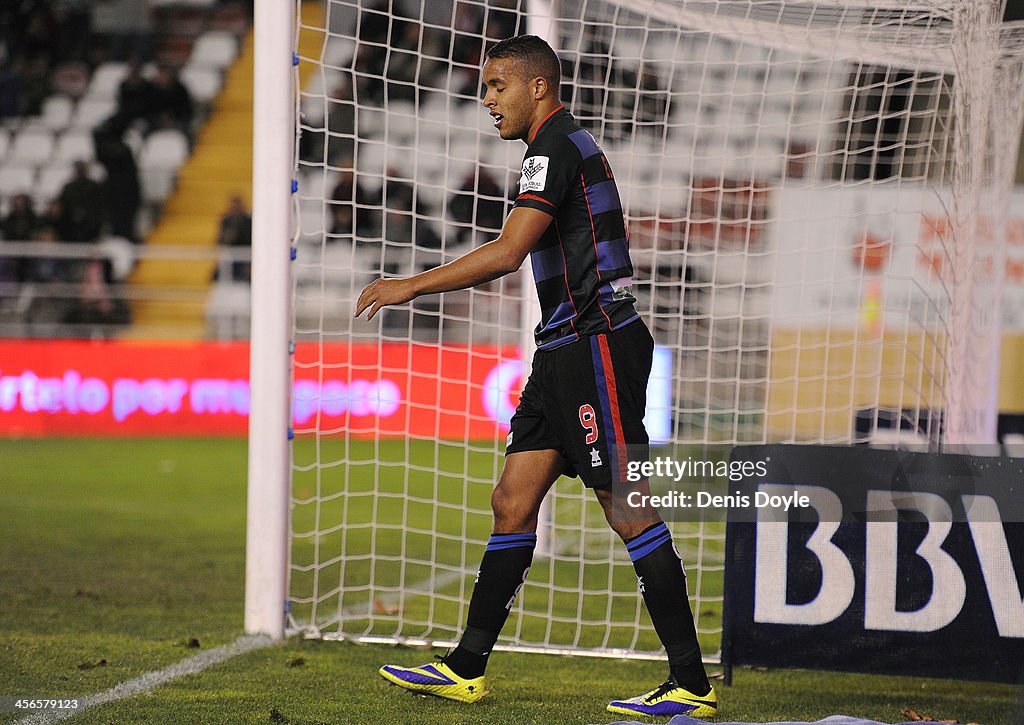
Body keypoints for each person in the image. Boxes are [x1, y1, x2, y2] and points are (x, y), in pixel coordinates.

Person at [355, 35, 717, 719]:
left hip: (596, 345)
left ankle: (691, 684)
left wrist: (410, 284)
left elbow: (509, 250)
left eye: (497, 86)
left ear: (538, 87)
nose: (486, 99)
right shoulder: (550, 149)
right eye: (485, 87)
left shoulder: (555, 145)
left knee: (627, 504)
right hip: (562, 350)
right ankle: (465, 667)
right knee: (513, 499)